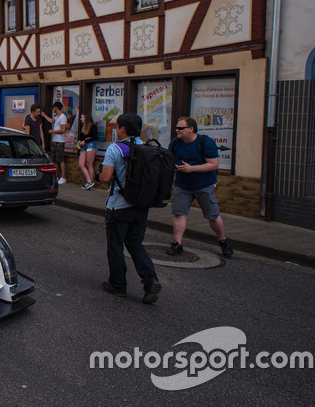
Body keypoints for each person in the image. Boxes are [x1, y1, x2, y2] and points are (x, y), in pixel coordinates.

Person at [96, 112, 161, 303]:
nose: (116, 129)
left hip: (118, 206)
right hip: (140, 205)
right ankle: (150, 280)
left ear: (123, 129)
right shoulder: (146, 148)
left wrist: (96, 176)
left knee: (115, 246)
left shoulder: (115, 149)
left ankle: (118, 285)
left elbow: (106, 178)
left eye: (117, 126)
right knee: (135, 244)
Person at [167, 116, 234, 258]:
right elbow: (170, 160)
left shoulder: (205, 142)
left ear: (191, 129)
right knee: (179, 213)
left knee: (212, 215)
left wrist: (192, 169)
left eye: (180, 128)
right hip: (182, 185)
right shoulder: (175, 143)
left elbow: (214, 165)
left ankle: (223, 241)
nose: (177, 130)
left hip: (204, 185)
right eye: (176, 128)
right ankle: (177, 243)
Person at [49, 102, 68, 184]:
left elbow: (63, 130)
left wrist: (52, 131)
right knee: (55, 159)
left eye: (53, 107)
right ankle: (56, 176)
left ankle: (63, 177)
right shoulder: (57, 117)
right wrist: (44, 115)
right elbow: (52, 120)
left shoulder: (63, 117)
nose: (53, 109)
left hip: (60, 141)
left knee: (60, 159)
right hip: (55, 140)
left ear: (56, 108)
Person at [77, 113, 98, 190]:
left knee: (89, 164)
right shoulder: (83, 126)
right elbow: (81, 137)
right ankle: (89, 181)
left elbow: (95, 137)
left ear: (86, 118)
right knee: (81, 164)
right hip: (84, 146)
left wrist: (86, 140)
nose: (81, 119)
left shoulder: (93, 126)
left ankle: (90, 182)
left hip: (91, 145)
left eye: (82, 117)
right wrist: (80, 141)